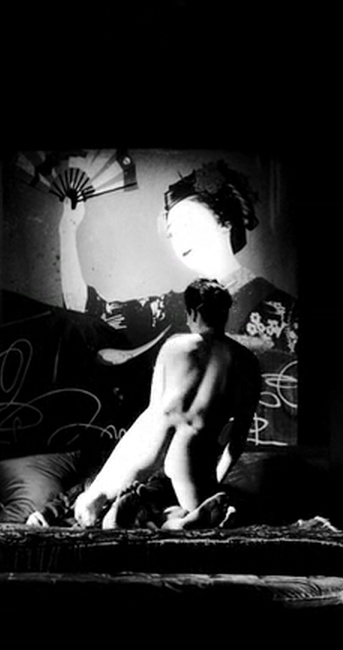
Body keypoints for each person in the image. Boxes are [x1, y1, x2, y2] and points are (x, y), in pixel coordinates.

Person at [57, 158, 298, 446]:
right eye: (172, 232)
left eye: (188, 223)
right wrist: (67, 230)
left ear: (224, 222)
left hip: (260, 445)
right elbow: (86, 310)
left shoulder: (284, 310)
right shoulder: (173, 308)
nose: (179, 238)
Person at [32, 278, 260, 529]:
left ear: (193, 313)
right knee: (194, 515)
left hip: (155, 440)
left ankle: (105, 508)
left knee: (98, 500)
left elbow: (153, 414)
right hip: (193, 449)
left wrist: (101, 485)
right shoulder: (247, 362)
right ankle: (181, 520)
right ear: (224, 312)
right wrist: (215, 483)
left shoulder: (175, 346)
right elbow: (237, 440)